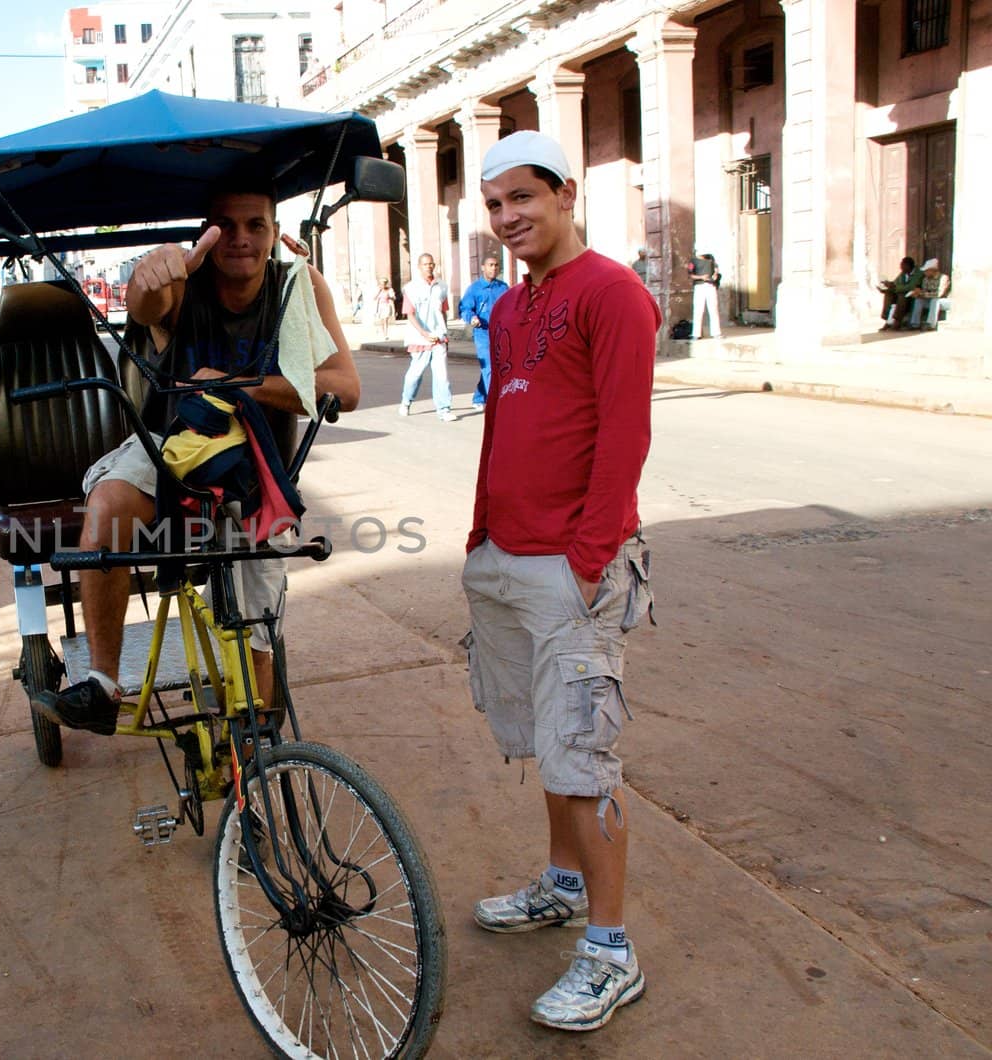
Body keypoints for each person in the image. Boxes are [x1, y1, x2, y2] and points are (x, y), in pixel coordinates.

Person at [35, 177, 361, 736]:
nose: (241, 239)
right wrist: (150, 277)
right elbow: (147, 306)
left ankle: (256, 750)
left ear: (275, 232)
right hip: (174, 448)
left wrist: (238, 384)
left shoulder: (299, 286)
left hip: (256, 461)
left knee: (258, 613)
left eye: (255, 225)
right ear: (206, 234)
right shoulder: (186, 283)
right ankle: (103, 685)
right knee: (108, 502)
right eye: (225, 226)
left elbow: (345, 387)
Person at [463, 130, 660, 1033]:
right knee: (548, 740)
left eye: (522, 200)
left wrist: (588, 560)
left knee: (584, 759)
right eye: (495, 206)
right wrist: (479, 534)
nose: (508, 219)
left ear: (566, 193)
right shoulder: (509, 307)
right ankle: (563, 884)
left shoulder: (612, 294)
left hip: (572, 567)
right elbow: (499, 430)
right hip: (505, 555)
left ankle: (611, 951)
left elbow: (623, 440)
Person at [398, 253, 455, 420]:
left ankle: (444, 409)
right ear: (419, 266)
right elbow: (410, 314)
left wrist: (444, 333)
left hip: (438, 337)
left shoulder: (441, 286)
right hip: (419, 338)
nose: (429, 267)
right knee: (415, 374)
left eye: (431, 264)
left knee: (442, 375)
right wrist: (423, 333)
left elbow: (443, 311)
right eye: (425, 264)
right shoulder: (411, 288)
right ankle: (406, 401)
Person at [457, 255, 509, 409]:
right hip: (483, 333)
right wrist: (471, 317)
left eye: (496, 265)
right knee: (489, 367)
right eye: (490, 265)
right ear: (483, 267)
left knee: (497, 366)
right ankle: (496, 404)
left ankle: (479, 398)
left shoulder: (503, 287)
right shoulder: (474, 289)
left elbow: (512, 306)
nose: (494, 268)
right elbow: (464, 308)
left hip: (501, 333)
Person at [905, 258, 951, 329]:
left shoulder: (943, 278)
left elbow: (939, 294)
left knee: (935, 300)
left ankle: (931, 324)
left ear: (932, 270)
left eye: (926, 271)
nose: (925, 273)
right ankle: (914, 324)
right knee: (918, 300)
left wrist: (924, 294)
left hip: (943, 302)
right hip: (930, 300)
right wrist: (918, 293)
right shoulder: (925, 279)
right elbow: (924, 291)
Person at [877, 257, 921, 330]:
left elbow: (910, 287)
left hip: (912, 295)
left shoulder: (918, 273)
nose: (900, 267)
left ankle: (898, 320)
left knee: (902, 296)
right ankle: (888, 319)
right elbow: (895, 283)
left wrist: (895, 287)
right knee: (888, 294)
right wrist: (888, 286)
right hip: (901, 293)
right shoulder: (903, 273)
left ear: (908, 266)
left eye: (902, 265)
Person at [687, 251, 721, 338]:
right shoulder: (693, 261)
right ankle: (696, 334)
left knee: (713, 309)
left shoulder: (711, 259)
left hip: (710, 285)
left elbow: (716, 269)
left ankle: (716, 333)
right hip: (699, 286)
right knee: (698, 310)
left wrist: (715, 274)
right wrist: (701, 277)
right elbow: (690, 275)